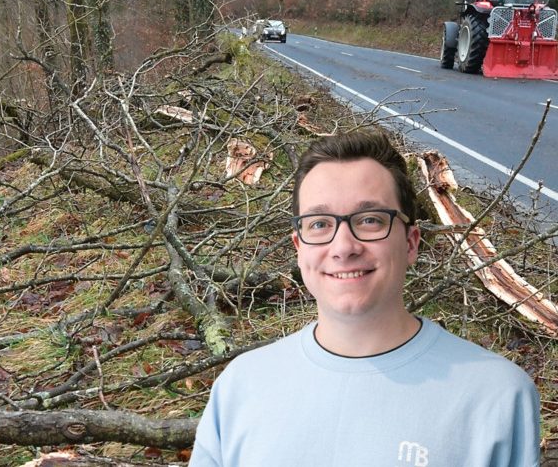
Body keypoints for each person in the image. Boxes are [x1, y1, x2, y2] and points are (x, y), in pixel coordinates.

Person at [189, 130, 540, 466]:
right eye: (319, 224)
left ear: (410, 242)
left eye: (370, 219)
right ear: (299, 248)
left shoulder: (497, 397)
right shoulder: (241, 387)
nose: (343, 247)